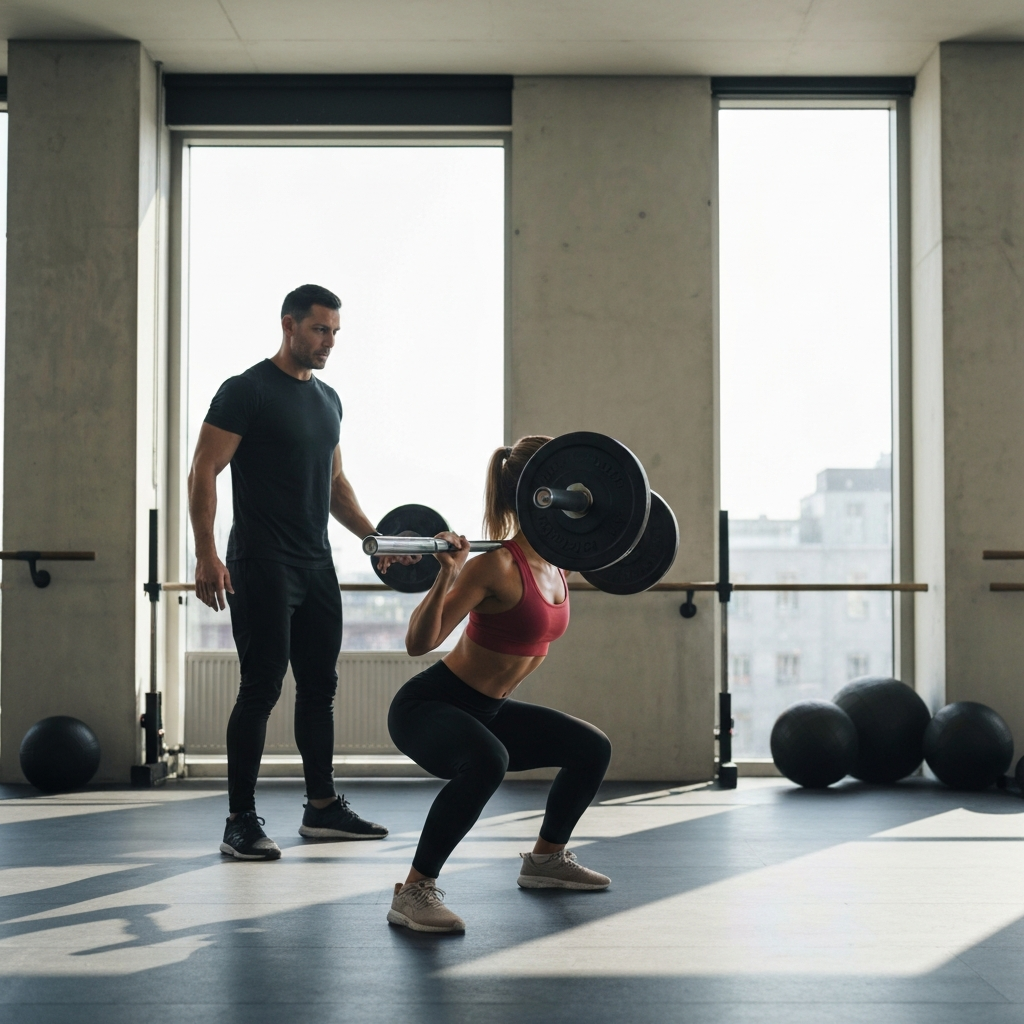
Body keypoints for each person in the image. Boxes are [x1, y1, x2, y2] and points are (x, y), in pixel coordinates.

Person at [189, 283, 391, 860]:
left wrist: (373, 540)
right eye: (319, 330)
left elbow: (334, 485)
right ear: (289, 326)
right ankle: (240, 821)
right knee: (261, 688)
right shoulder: (245, 391)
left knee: (319, 689)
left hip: (316, 562)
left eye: (334, 332)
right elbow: (204, 471)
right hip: (262, 561)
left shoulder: (329, 399)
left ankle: (322, 808)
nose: (328, 342)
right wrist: (207, 553)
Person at [385, 436, 613, 933]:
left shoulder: (557, 565)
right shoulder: (494, 566)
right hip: (431, 707)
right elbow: (418, 643)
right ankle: (414, 890)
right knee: (488, 761)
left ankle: (546, 861)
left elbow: (617, 539)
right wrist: (446, 573)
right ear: (540, 494)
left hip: (488, 710)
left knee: (590, 748)